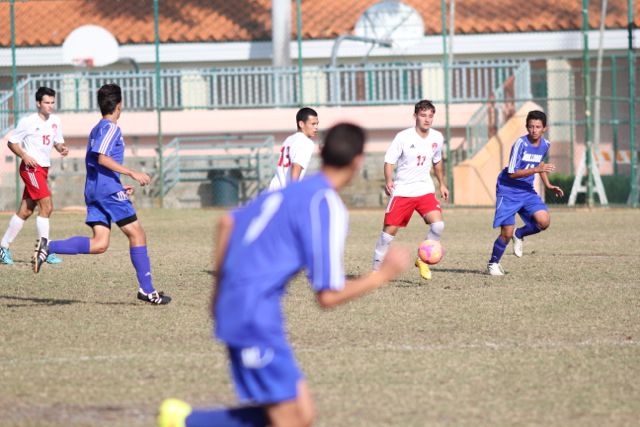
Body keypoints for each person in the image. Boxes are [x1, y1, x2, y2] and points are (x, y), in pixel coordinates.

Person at [157, 124, 410, 427]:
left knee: (302, 414)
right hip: (253, 316)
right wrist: (381, 275)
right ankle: (187, 423)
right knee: (289, 420)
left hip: (253, 311)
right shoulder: (325, 203)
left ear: (321, 152)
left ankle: (185, 421)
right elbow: (327, 296)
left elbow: (227, 222)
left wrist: (219, 293)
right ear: (358, 161)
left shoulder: (293, 190)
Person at [33, 83, 171, 305]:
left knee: (99, 244)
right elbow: (102, 157)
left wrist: (117, 184)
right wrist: (132, 173)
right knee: (137, 234)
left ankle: (48, 246)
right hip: (106, 190)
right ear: (119, 105)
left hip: (97, 189)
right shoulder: (110, 128)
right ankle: (147, 290)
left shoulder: (97, 127)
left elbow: (100, 162)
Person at [371, 99, 449, 281]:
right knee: (387, 235)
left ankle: (423, 260)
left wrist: (442, 184)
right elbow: (389, 161)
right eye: (423, 115)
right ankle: (375, 271)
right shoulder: (403, 137)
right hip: (403, 191)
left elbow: (437, 162)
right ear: (415, 116)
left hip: (424, 190)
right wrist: (389, 180)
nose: (427, 119)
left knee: (438, 225)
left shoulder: (437, 137)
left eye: (430, 116)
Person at [487, 110, 564, 276]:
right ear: (526, 127)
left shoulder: (545, 145)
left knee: (544, 221)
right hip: (508, 190)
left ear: (544, 128)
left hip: (526, 190)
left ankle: (519, 233)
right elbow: (512, 173)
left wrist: (549, 184)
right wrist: (537, 169)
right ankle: (493, 263)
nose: (534, 130)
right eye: (531, 126)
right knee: (506, 233)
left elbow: (540, 163)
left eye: (537, 127)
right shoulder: (520, 144)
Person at [0, 87, 68, 266]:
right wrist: (24, 155)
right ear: (38, 103)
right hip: (31, 169)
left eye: (52, 102)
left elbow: (57, 141)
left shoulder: (55, 121)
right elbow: (12, 142)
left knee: (26, 210)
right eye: (46, 103)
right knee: (47, 206)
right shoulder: (28, 121)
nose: (50, 106)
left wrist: (61, 148)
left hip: (43, 170)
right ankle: (44, 250)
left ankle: (3, 247)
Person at [268, 107, 318, 190]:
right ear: (301, 124)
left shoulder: (289, 139)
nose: (316, 127)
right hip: (285, 193)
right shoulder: (306, 142)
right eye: (313, 124)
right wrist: (293, 192)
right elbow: (296, 166)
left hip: (274, 190)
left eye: (317, 124)